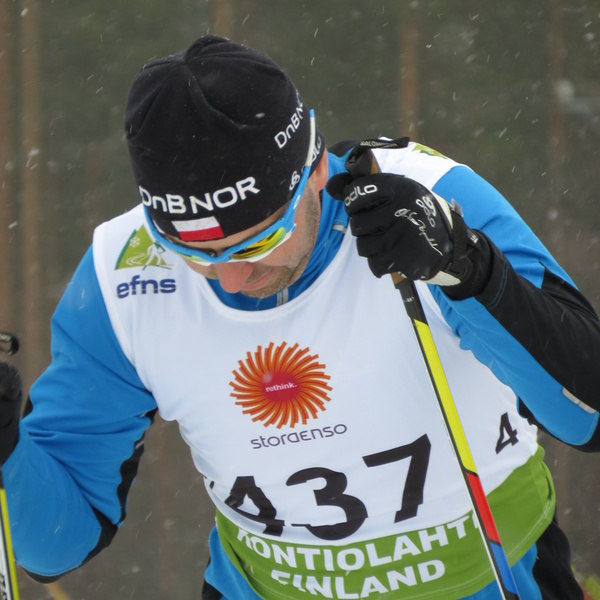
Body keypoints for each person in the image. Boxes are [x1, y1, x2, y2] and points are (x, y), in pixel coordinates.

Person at [0, 34, 598, 600]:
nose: (231, 279)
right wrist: (8, 455)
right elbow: (56, 544)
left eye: (258, 242)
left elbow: (588, 414)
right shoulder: (124, 274)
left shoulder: (426, 200)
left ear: (315, 170)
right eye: (194, 254)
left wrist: (470, 270)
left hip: (491, 580)